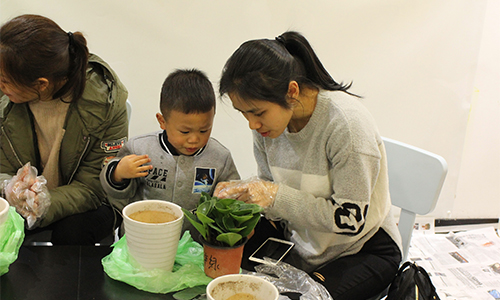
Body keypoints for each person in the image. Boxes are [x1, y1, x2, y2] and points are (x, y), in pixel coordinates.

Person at [214, 31, 402, 300]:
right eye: (243, 113)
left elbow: (350, 219)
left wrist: (273, 195)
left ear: (292, 91)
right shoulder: (266, 128)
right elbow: (274, 203)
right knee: (221, 258)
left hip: (362, 248)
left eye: (257, 112)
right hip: (299, 240)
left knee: (303, 297)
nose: (252, 124)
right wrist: (246, 196)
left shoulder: (346, 125)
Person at [0, 14, 128, 245]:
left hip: (88, 202)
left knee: (73, 233)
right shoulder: (5, 99)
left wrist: (46, 202)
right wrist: (8, 187)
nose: (1, 86)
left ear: (41, 84)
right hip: (18, 203)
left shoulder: (106, 104)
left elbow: (93, 186)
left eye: (5, 81)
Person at [100, 69, 240, 225]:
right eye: (185, 131)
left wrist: (229, 198)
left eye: (204, 130)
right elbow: (116, 197)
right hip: (145, 237)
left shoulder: (220, 157)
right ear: (162, 121)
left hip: (195, 243)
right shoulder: (139, 148)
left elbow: (232, 197)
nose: (194, 139)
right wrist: (118, 173)